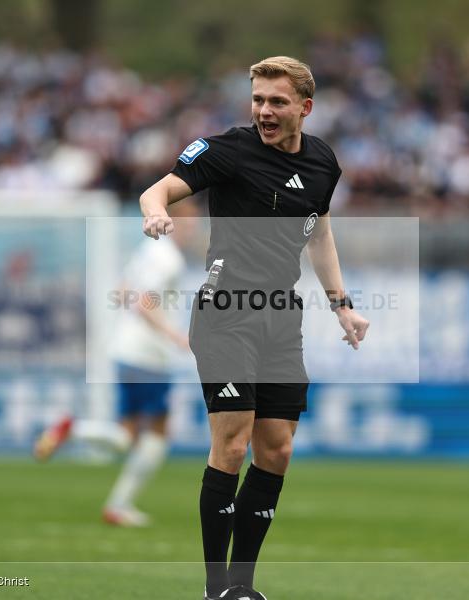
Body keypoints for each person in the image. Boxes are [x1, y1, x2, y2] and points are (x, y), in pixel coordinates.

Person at [139, 57, 369, 600]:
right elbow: (159, 190)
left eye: (277, 102)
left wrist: (342, 305)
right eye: (258, 100)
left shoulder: (322, 164)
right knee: (234, 439)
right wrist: (155, 213)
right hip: (226, 313)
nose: (265, 111)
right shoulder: (226, 150)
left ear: (304, 109)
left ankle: (242, 585)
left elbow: (319, 236)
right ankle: (215, 587)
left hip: (281, 316)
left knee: (277, 449)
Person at [34, 201, 198, 526]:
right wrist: (175, 335)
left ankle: (74, 431)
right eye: (192, 220)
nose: (195, 228)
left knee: (127, 435)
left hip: (128, 350)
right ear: (177, 220)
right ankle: (119, 503)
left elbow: (123, 291)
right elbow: (143, 304)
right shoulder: (168, 259)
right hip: (149, 356)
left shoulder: (148, 250)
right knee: (158, 433)